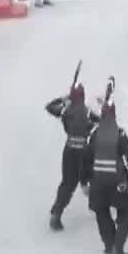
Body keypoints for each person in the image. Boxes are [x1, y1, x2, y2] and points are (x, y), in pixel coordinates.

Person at [83, 87, 128, 254]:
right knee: (127, 212)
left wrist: (83, 182)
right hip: (118, 183)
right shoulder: (120, 134)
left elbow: (85, 160)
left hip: (98, 183)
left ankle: (109, 245)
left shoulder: (93, 134)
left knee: (101, 212)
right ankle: (118, 246)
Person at [44, 80, 97, 231]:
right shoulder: (86, 111)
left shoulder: (66, 110)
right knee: (94, 175)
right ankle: (93, 199)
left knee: (67, 184)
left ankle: (56, 213)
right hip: (84, 151)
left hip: (69, 150)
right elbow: (99, 121)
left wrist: (63, 99)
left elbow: (49, 107)